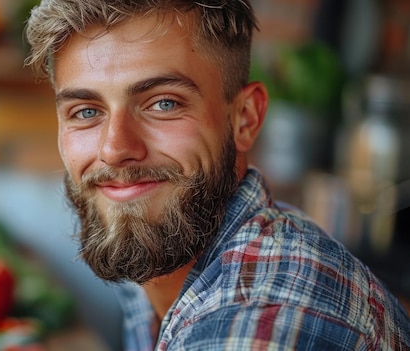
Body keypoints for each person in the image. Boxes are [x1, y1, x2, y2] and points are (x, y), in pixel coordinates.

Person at [24, 0, 410, 350]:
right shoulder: (158, 255)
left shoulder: (256, 323)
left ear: (245, 118)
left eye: (163, 103)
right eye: (86, 111)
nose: (114, 148)